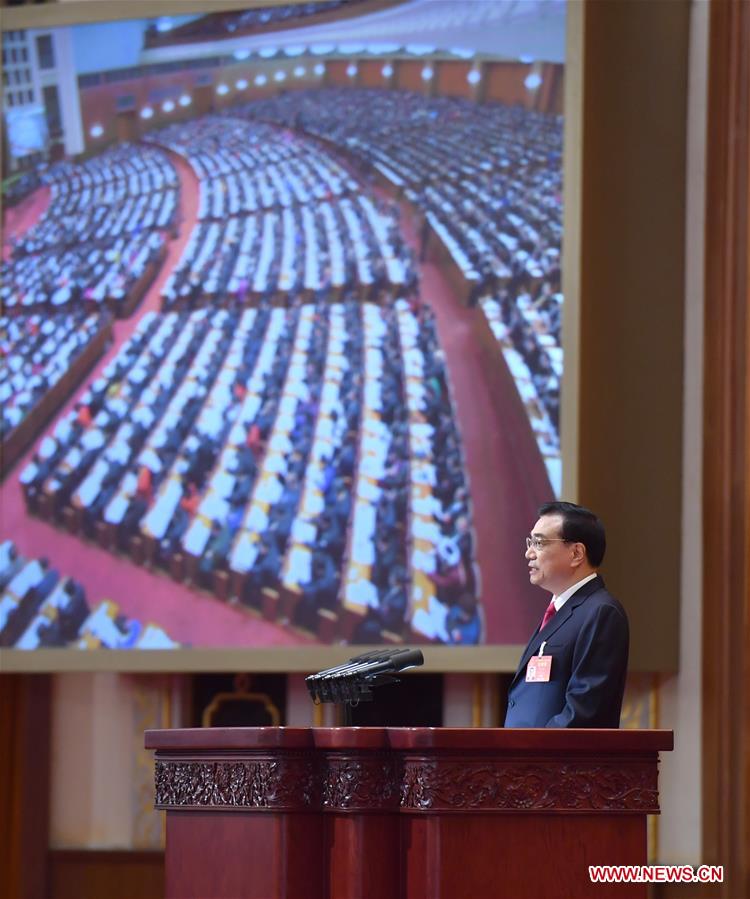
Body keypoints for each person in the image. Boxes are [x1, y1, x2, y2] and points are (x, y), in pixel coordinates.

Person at [504, 501, 629, 728]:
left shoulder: (600, 612)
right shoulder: (558, 610)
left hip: (557, 761)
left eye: (539, 543)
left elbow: (584, 710)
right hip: (526, 759)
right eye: (530, 542)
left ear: (576, 553)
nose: (528, 553)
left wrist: (531, 752)